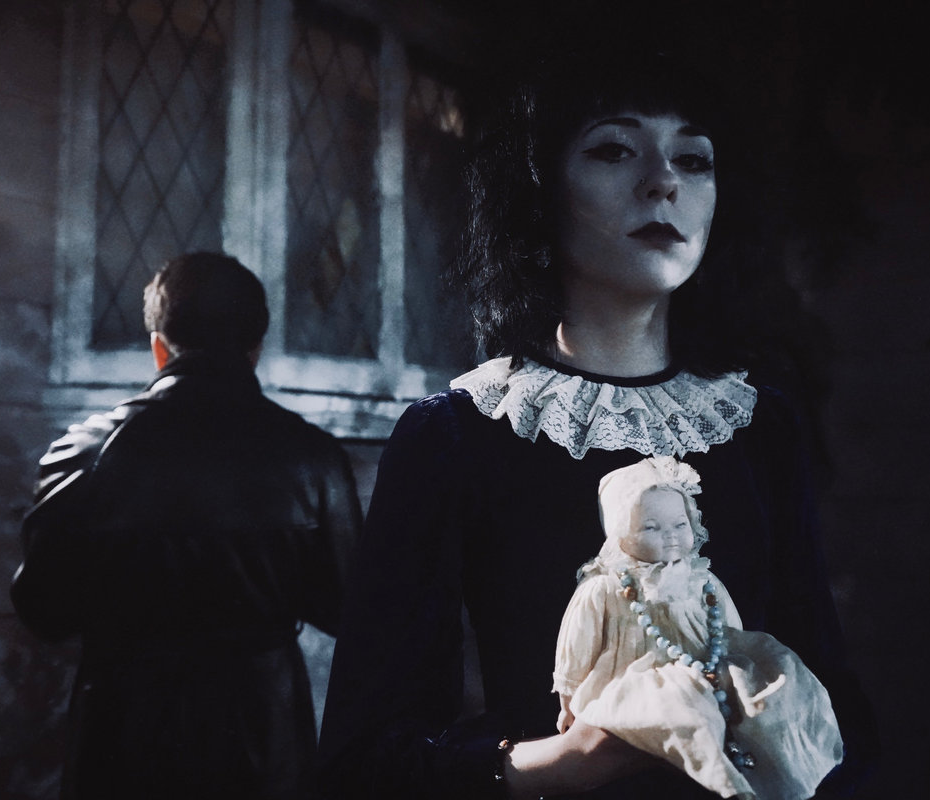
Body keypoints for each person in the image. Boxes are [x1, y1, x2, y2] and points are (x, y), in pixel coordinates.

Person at [318, 47, 873, 800]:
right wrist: (565, 760)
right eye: (615, 149)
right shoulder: (455, 434)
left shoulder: (757, 423)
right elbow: (365, 758)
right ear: (539, 189)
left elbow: (834, 709)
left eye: (693, 159)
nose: (663, 181)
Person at [11, 252, 362, 800]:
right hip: (261, 735)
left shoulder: (83, 454)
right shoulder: (314, 459)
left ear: (159, 347)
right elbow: (351, 609)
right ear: (255, 348)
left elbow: (44, 609)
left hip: (123, 737)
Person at [554, 456, 843, 800]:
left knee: (778, 685)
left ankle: (789, 766)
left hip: (710, 665)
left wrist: (741, 661)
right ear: (619, 535)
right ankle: (728, 785)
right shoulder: (604, 588)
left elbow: (729, 627)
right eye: (651, 527)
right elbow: (576, 647)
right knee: (682, 707)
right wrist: (568, 703)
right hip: (639, 678)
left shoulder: (700, 579)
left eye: (680, 524)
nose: (671, 537)